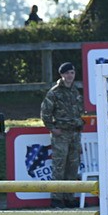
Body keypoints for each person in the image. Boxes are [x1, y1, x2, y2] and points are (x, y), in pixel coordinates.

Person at [40, 62, 84, 207]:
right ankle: (56, 199)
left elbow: (79, 110)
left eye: (72, 73)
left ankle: (69, 198)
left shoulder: (75, 91)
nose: (70, 76)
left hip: (74, 133)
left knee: (73, 167)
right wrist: (52, 128)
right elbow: (45, 112)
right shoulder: (54, 92)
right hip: (61, 134)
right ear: (61, 75)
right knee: (59, 166)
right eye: (66, 73)